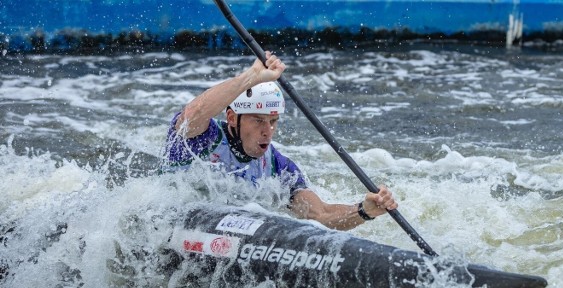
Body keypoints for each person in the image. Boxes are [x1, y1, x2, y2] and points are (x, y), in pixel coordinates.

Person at [163, 52, 398, 231]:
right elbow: (193, 113)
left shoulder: (278, 167)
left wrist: (364, 211)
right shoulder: (202, 139)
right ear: (233, 118)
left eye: (273, 121)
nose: (268, 131)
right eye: (258, 121)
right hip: (170, 226)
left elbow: (321, 215)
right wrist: (250, 77)